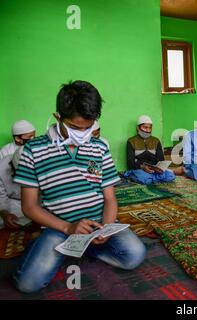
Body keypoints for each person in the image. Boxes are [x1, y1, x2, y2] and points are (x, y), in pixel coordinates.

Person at [13, 80, 146, 293]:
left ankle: (85, 248)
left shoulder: (99, 147)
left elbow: (110, 198)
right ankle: (61, 246)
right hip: (59, 227)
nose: (83, 134)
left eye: (89, 127)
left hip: (98, 224)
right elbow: (29, 207)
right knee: (27, 284)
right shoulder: (33, 150)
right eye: (75, 127)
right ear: (58, 117)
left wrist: (106, 227)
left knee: (134, 255)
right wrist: (67, 228)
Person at [125, 115, 175, 184]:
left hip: (154, 170)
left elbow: (161, 159)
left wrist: (159, 168)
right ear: (138, 128)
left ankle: (151, 178)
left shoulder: (156, 140)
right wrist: (142, 167)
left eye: (150, 128)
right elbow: (130, 163)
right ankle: (133, 175)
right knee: (146, 179)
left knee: (170, 176)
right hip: (139, 169)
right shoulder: (131, 141)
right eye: (145, 127)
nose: (148, 130)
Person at [0, 147, 27, 229]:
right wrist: (5, 214)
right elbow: (1, 196)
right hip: (14, 203)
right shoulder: (1, 167)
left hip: (39, 202)